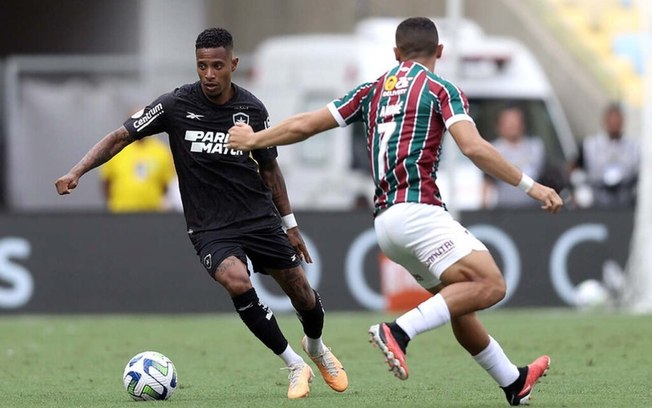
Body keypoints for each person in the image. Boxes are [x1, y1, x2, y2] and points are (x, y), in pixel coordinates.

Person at [227, 17, 563, 406]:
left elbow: (306, 124)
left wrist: (255, 139)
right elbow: (473, 148)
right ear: (440, 52)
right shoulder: (441, 89)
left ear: (395, 53)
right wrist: (533, 186)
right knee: (491, 286)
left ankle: (513, 382)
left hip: (387, 225)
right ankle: (399, 332)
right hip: (419, 211)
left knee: (461, 302)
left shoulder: (371, 90)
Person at [54, 27, 347, 399]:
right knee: (237, 281)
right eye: (202, 66)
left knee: (302, 293)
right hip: (210, 227)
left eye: (217, 66)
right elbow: (119, 137)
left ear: (233, 65)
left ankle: (317, 348)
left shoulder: (252, 109)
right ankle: (293, 364)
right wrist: (77, 170)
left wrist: (289, 224)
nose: (209, 74)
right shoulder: (175, 105)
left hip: (258, 217)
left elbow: (270, 169)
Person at [571, 102, 639, 207]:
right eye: (611, 119)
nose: (614, 123)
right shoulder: (590, 145)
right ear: (605, 121)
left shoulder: (634, 147)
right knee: (583, 197)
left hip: (625, 195)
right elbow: (574, 167)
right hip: (596, 195)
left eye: (617, 120)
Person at [483, 105, 546, 209]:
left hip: (533, 208)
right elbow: (487, 182)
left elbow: (544, 177)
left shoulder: (536, 147)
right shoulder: (493, 149)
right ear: (499, 126)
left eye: (515, 121)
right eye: (507, 121)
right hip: (503, 209)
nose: (512, 125)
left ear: (523, 124)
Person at [99, 134, 176, 212]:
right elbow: (106, 180)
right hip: (121, 211)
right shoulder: (118, 148)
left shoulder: (161, 151)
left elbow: (165, 184)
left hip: (152, 212)